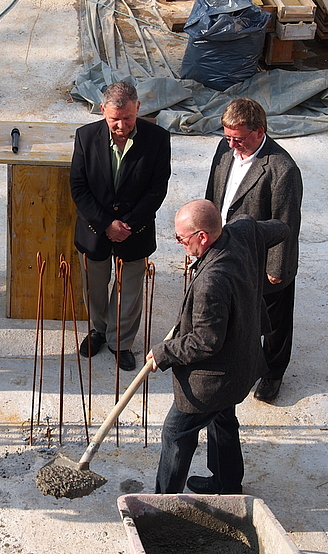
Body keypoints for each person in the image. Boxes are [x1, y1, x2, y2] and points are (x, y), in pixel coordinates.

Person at [151, 199, 288, 494]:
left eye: (181, 238)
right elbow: (281, 229)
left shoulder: (212, 282)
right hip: (243, 361)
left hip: (216, 378)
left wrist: (164, 352)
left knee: (176, 432)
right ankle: (227, 484)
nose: (179, 244)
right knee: (223, 419)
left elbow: (205, 342)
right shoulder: (244, 231)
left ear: (203, 236)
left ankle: (163, 504)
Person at [205, 98, 303, 403]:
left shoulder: (281, 169)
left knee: (273, 322)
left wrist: (278, 267)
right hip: (228, 252)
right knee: (236, 314)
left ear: (259, 132)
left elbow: (286, 222)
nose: (232, 145)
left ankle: (273, 372)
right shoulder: (225, 150)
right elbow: (214, 195)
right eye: (228, 136)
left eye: (239, 138)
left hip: (262, 260)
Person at [69, 81, 171, 371]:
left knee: (129, 289)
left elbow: (157, 189)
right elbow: (78, 187)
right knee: (95, 286)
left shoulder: (158, 139)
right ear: (102, 111)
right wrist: (105, 224)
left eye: (127, 118)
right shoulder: (85, 137)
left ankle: (120, 342)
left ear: (138, 108)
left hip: (134, 230)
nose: (121, 125)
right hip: (94, 231)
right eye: (114, 119)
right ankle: (99, 331)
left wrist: (126, 224)